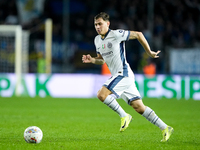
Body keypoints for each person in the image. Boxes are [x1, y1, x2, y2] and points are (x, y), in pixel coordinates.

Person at [82, 12, 173, 142]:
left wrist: (149, 52)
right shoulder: (97, 40)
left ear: (108, 24)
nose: (97, 26)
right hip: (120, 77)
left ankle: (124, 115)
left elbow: (138, 34)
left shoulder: (116, 34)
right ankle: (165, 128)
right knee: (139, 107)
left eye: (100, 24)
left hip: (123, 73)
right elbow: (101, 60)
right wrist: (92, 60)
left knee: (101, 94)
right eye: (95, 24)